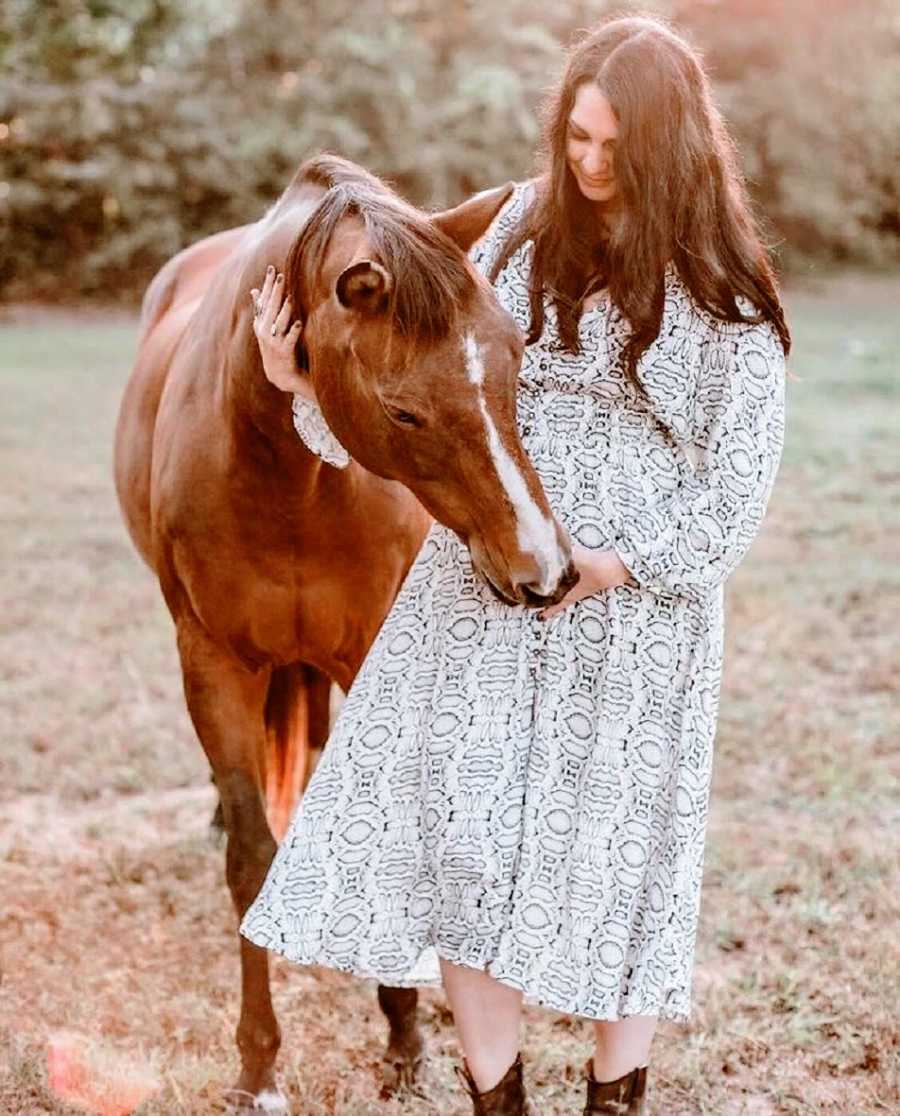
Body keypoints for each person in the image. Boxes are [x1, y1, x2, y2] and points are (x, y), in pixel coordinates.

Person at [240, 13, 790, 1115]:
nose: (587, 166)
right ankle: (498, 1101)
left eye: (614, 148)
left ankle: (612, 1096)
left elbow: (734, 492)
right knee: (465, 849)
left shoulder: (726, 286)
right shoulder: (526, 225)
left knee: (617, 865)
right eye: (575, 138)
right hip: (482, 579)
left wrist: (619, 564)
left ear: (673, 148)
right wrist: (303, 390)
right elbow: (433, 387)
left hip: (635, 613)